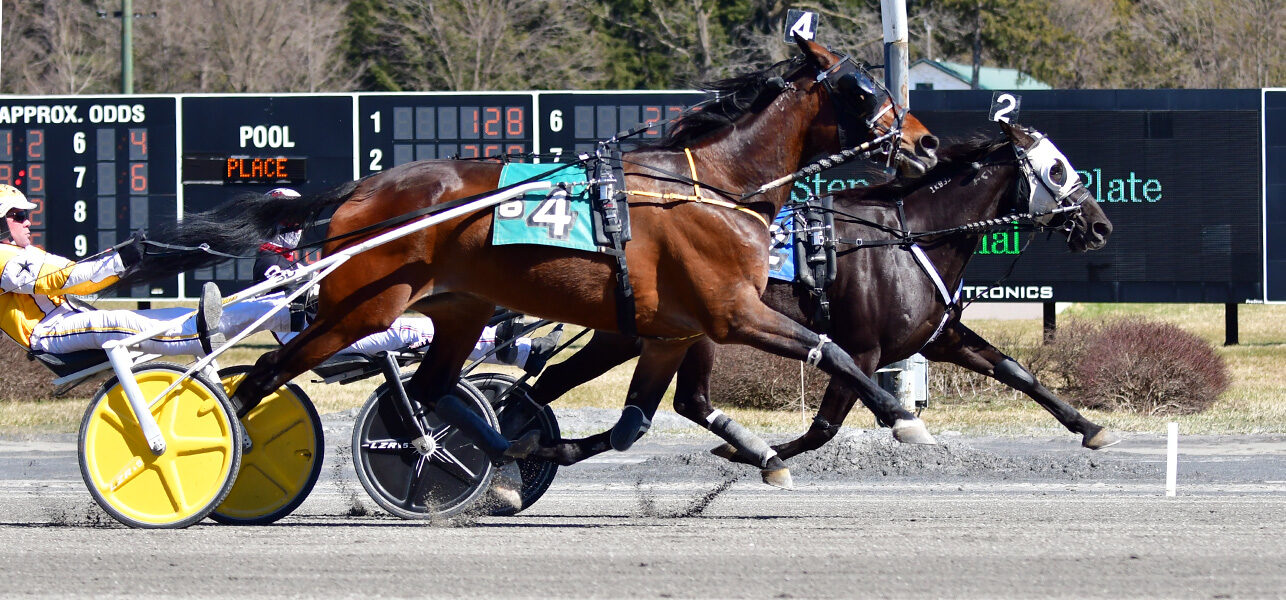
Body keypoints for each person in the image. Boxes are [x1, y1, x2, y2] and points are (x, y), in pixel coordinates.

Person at [255, 188, 560, 373]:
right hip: (306, 339)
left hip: (329, 329)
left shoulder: (298, 257)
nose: (295, 227)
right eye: (288, 221)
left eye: (296, 220)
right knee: (418, 328)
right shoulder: (269, 261)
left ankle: (508, 339)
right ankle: (519, 349)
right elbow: (294, 306)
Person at [0, 184, 235, 357]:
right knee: (118, 320)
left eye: (26, 216)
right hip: (47, 332)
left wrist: (123, 262)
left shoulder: (25, 252)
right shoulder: (3, 257)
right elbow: (64, 278)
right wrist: (120, 260)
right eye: (19, 216)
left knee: (156, 316)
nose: (28, 221)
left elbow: (81, 283)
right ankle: (197, 337)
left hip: (66, 319)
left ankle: (224, 318)